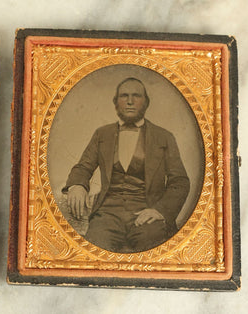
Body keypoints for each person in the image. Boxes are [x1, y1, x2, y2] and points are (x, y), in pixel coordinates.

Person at [63, 77, 189, 253]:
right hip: (107, 214)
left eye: (136, 96)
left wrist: (159, 210)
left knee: (151, 249)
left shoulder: (164, 137)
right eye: (124, 96)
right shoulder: (102, 134)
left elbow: (180, 182)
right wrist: (77, 185)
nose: (130, 101)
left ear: (146, 103)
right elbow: (83, 167)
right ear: (115, 103)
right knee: (94, 250)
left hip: (146, 212)